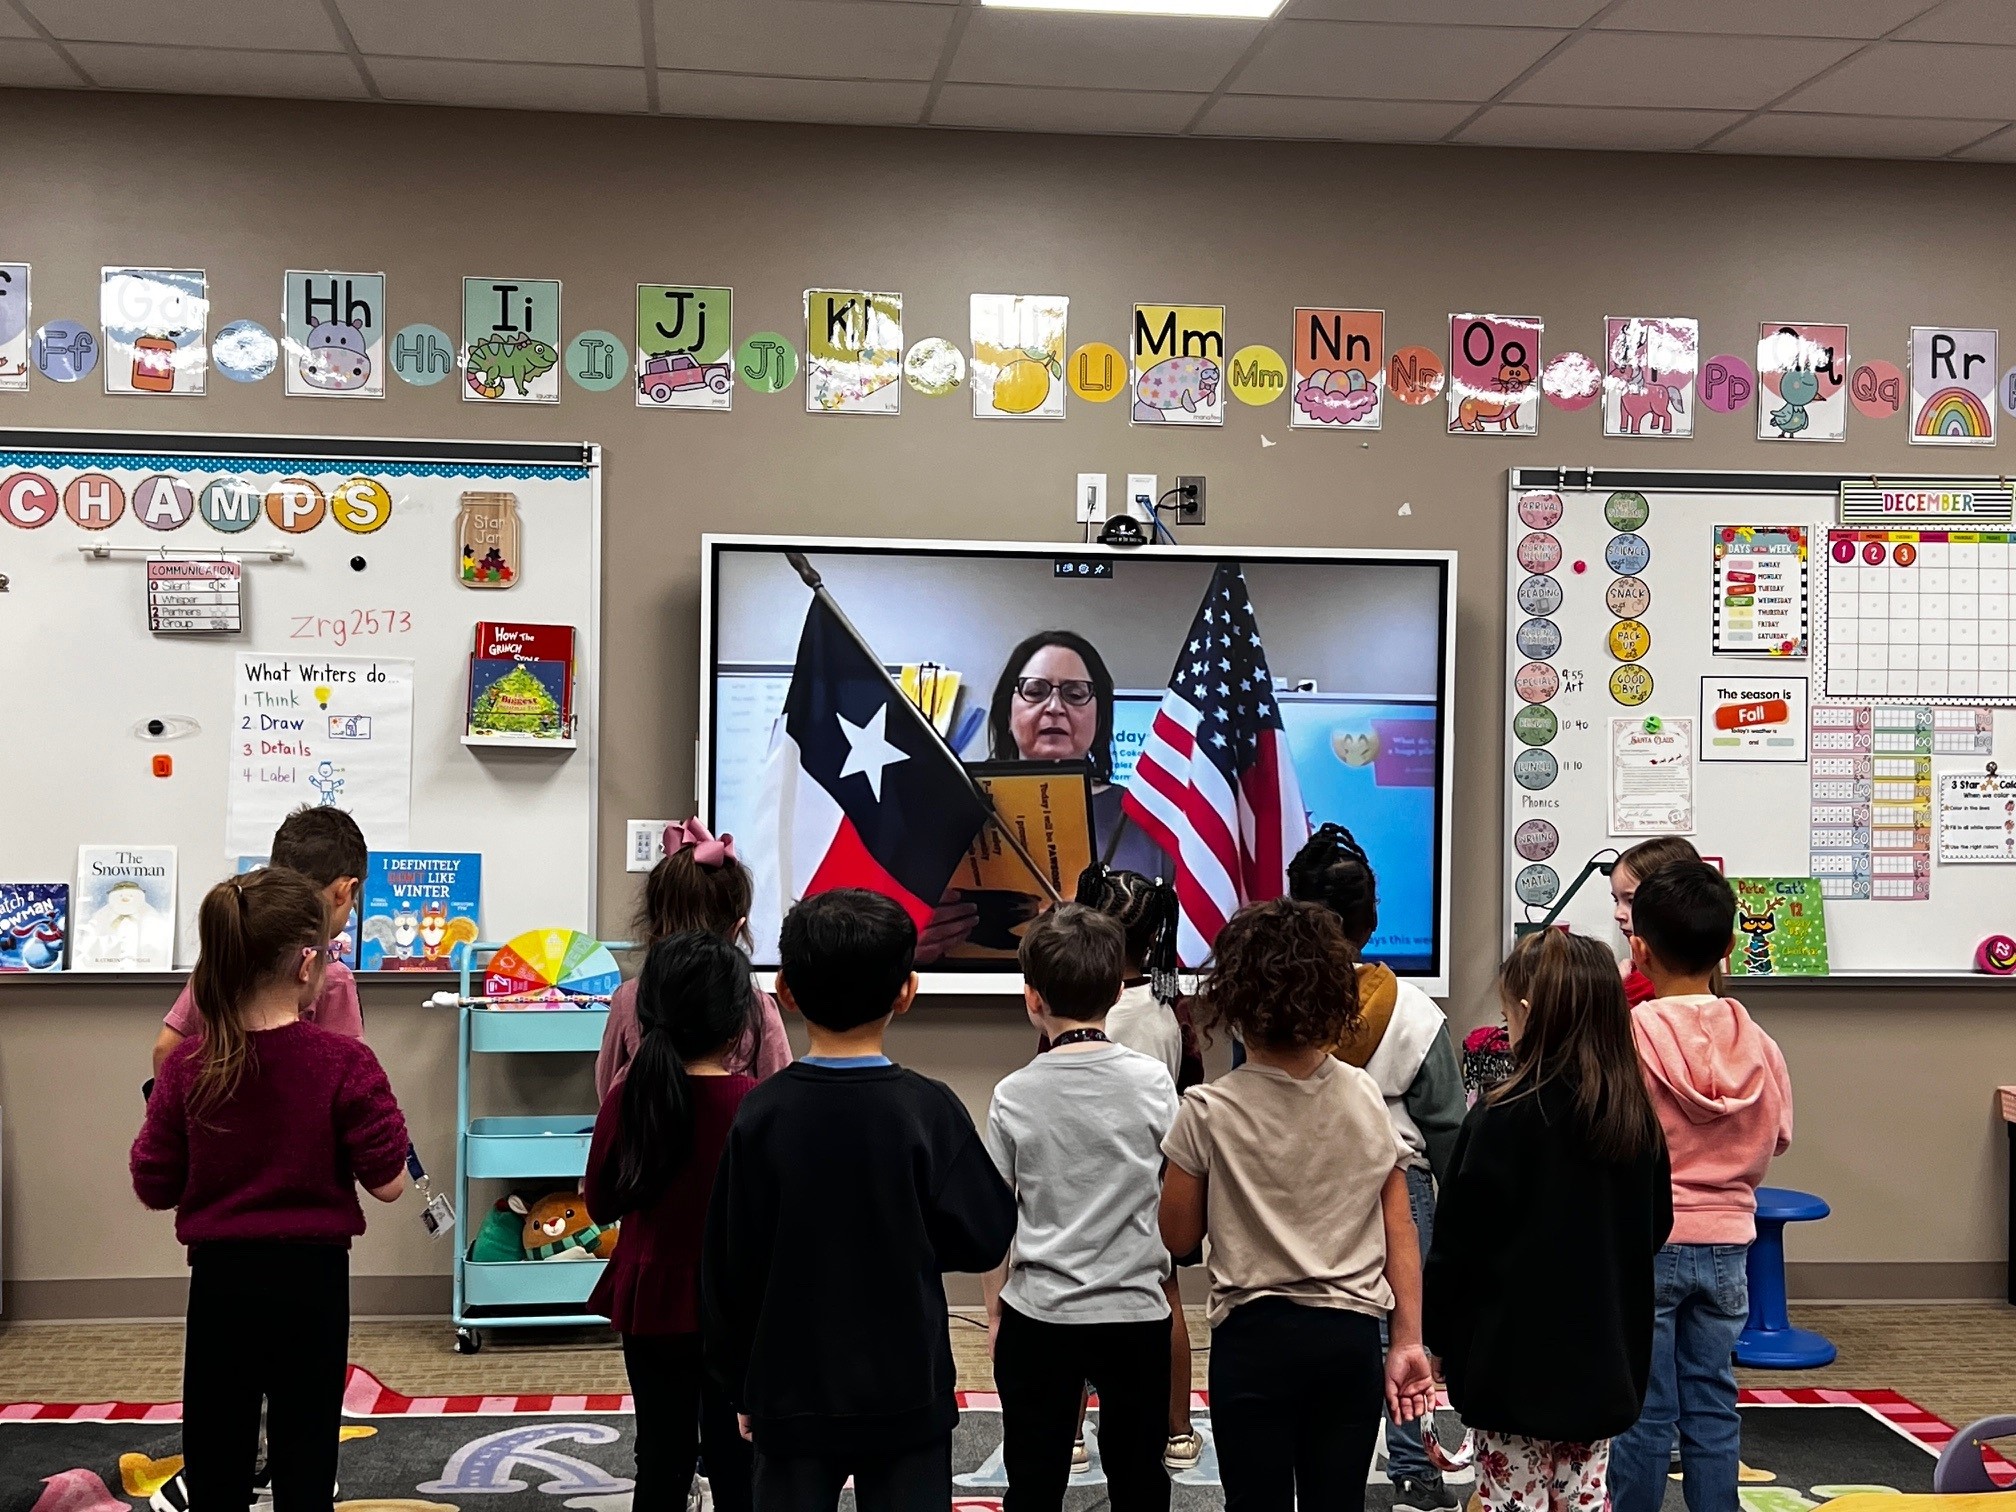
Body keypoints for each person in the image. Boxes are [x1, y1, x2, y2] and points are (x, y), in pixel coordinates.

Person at [701, 889, 1017, 1512]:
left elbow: (727, 1270)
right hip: (907, 1390)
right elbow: (986, 1233)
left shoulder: (760, 1114)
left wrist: (743, 1384)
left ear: (785, 991)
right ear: (907, 991)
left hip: (789, 1391)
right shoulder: (929, 1108)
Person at [131, 868, 409, 1512]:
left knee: (217, 1444)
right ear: (307, 962)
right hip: (313, 1281)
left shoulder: (186, 1067)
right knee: (307, 1444)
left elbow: (153, 1183)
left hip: (221, 1282)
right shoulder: (345, 1063)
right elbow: (391, 1184)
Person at [1158, 898, 1435, 1512]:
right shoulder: (1365, 1096)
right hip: (1348, 1338)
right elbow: (1401, 1230)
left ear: (1231, 1001)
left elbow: (1176, 1239)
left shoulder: (1208, 1110)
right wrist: (1408, 1341)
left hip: (1253, 1340)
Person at [1423, 929, 1672, 1512]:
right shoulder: (1634, 1120)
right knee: (1584, 1500)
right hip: (1603, 1362)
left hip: (1511, 1366)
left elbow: (1456, 1245)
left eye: (1507, 1013)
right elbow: (1654, 1228)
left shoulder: (1499, 1117)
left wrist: (1439, 1339)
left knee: (1510, 1501)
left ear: (1528, 1014)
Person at [1286, 822, 1465, 1512]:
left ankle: (1311, 1465)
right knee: (1403, 1333)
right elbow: (1447, 1126)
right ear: (1371, 921)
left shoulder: (1275, 1011)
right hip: (1401, 1187)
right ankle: (1415, 1474)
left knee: (1312, 1320)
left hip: (1297, 1185)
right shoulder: (1416, 1014)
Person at [1608, 863, 1794, 1512]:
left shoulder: (1626, 1037)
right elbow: (1777, 1138)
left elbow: (1606, 1140)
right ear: (1729, 946)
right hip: (1729, 1245)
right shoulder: (1761, 1045)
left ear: (1640, 949)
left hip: (1649, 1243)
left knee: (1645, 1409)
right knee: (1713, 1402)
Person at [982, 904, 1177, 1512]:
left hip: (1040, 1315)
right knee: (1141, 1481)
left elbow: (996, 1220)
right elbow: (1171, 1188)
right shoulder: (1152, 1083)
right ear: (1119, 992)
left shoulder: (1014, 1094)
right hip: (1136, 1310)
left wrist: (995, 1314)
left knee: (1035, 1483)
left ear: (1032, 999)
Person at [585, 930, 759, 1512]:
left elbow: (601, 1202)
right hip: (737, 1305)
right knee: (740, 1454)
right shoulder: (755, 1104)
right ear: (740, 1024)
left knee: (661, 1452)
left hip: (652, 1296)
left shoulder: (629, 1095)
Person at [1075, 863, 1205, 1467]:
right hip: (1152, 1175)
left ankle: (1073, 1432)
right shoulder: (1163, 1005)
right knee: (1167, 1294)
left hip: (1100, 1177)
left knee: (1074, 1297)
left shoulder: (1100, 1015)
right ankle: (1176, 1429)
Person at [152, 805, 368, 1075]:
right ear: (345, 891)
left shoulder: (226, 955)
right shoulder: (331, 976)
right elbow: (352, 1074)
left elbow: (165, 1050)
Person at [597, 818, 790, 1100]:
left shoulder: (628, 999)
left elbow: (608, 1094)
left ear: (656, 927)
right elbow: (777, 1099)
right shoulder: (757, 1006)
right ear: (737, 928)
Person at [1609, 836, 1702, 1008]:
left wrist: (1613, 987)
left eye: (1631, 900)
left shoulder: (1649, 985)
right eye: (1616, 900)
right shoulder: (1637, 973)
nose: (1618, 914)